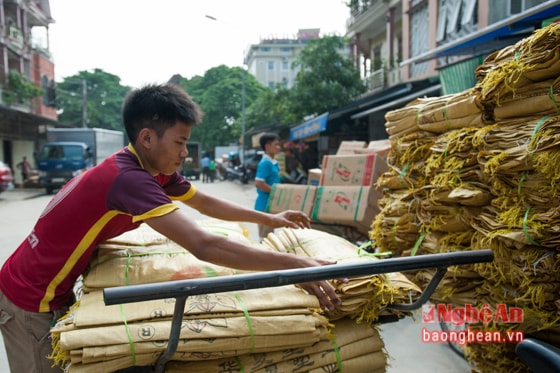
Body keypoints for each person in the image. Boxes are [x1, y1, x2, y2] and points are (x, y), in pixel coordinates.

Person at [0, 83, 342, 372]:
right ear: (147, 137)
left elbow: (205, 203)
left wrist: (271, 219)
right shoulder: (128, 179)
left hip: (52, 287)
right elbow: (203, 244)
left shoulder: (154, 171)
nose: (185, 153)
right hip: (28, 295)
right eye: (180, 142)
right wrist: (298, 266)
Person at [254, 133, 282, 240]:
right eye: (276, 145)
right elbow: (259, 183)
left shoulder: (273, 163)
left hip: (270, 204)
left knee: (270, 237)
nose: (279, 147)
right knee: (265, 239)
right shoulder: (265, 163)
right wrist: (277, 192)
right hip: (264, 206)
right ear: (267, 147)